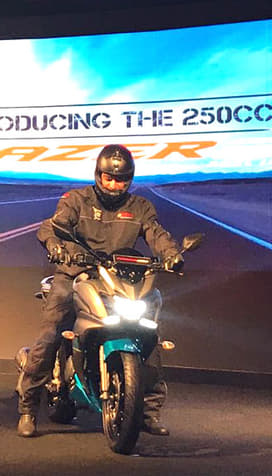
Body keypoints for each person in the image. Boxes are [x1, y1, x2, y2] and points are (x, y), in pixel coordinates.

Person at [17, 144, 183, 437]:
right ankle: (28, 408)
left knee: (148, 332)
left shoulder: (141, 207)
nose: (114, 185)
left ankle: (148, 411)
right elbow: (51, 227)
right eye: (109, 178)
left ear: (130, 179)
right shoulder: (76, 200)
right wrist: (56, 246)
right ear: (98, 175)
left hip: (118, 276)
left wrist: (172, 254)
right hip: (75, 273)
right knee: (51, 333)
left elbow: (156, 234)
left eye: (121, 179)